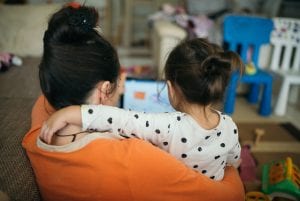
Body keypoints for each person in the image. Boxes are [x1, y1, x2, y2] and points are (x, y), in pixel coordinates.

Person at [22, 3, 245, 201]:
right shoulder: (135, 160)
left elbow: (127, 120)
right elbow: (233, 193)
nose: (123, 83)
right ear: (104, 89)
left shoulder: (40, 118)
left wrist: (75, 112)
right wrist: (229, 169)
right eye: (119, 80)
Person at [40, 38, 243, 181]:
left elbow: (121, 119)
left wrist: (71, 112)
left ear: (171, 89)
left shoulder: (169, 126)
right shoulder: (229, 126)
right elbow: (234, 160)